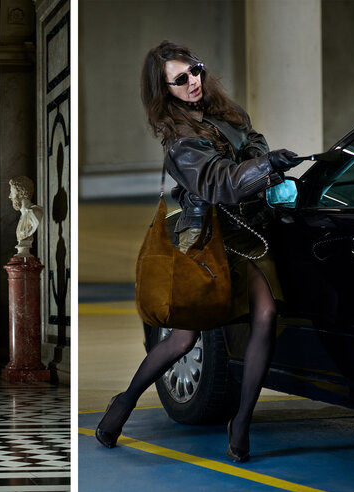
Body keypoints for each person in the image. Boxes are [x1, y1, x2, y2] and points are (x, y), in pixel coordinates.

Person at [94, 40, 303, 463]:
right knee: (184, 337)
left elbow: (253, 139)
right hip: (207, 239)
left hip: (248, 233)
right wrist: (265, 166)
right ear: (164, 90)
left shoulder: (226, 112)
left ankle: (241, 422)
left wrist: (261, 157)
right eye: (181, 79)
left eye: (196, 70)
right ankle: (124, 402)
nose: (193, 81)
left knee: (266, 315)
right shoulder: (180, 141)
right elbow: (219, 182)